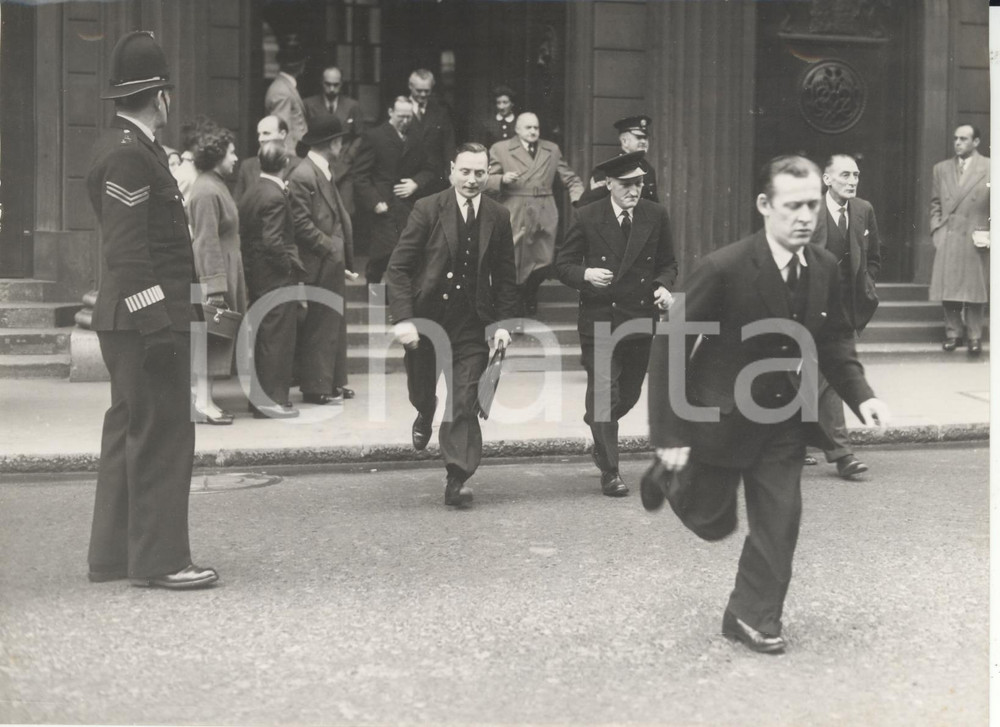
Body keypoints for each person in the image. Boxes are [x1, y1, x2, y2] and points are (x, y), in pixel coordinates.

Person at [645, 155, 890, 653]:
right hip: (720, 417)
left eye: (810, 206)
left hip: (784, 421)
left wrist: (862, 396)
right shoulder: (724, 267)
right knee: (714, 522)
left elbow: (835, 340)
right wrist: (670, 435)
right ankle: (670, 475)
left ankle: (752, 615)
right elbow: (670, 345)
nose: (805, 217)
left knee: (780, 523)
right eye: (792, 206)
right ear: (764, 205)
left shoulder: (823, 267)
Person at [85, 30, 217, 590]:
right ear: (160, 95)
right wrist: (158, 324)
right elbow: (129, 253)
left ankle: (112, 557)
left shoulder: (124, 149)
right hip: (144, 323)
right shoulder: (130, 156)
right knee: (163, 434)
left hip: (130, 322)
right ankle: (161, 560)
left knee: (127, 430)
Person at [386, 142, 519, 507]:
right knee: (421, 389)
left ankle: (457, 477)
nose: (473, 180)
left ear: (489, 173)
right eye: (465, 171)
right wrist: (403, 318)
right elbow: (398, 269)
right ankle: (424, 409)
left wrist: (503, 325)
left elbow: (507, 277)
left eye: (480, 173)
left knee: (463, 401)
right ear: (451, 170)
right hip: (426, 322)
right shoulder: (427, 208)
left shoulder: (498, 216)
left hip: (471, 326)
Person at [553, 151, 677, 497]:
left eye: (638, 183)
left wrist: (664, 287)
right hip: (601, 319)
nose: (634, 191)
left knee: (630, 393)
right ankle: (610, 470)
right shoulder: (587, 216)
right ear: (609, 184)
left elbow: (668, 263)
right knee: (605, 395)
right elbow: (562, 266)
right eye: (626, 184)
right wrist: (586, 274)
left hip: (639, 318)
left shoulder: (656, 215)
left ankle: (597, 423)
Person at [806, 154, 882, 478]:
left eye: (856, 175)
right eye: (845, 175)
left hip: (845, 310)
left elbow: (874, 257)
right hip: (809, 307)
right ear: (827, 179)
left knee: (831, 377)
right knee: (806, 375)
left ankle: (841, 453)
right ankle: (827, 447)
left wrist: (866, 284)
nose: (852, 181)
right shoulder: (808, 209)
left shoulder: (863, 210)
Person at [486, 112, 584, 319]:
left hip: (544, 209)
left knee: (543, 261)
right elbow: (485, 181)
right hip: (514, 209)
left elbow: (570, 178)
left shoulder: (552, 149)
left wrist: (579, 200)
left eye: (536, 128)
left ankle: (529, 293)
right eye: (528, 127)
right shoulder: (501, 149)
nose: (533, 132)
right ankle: (514, 304)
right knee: (511, 259)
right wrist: (502, 179)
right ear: (517, 129)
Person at [287, 114, 356, 405]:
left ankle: (333, 381)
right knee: (320, 325)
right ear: (332, 143)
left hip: (330, 259)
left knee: (332, 323)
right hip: (319, 259)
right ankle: (316, 387)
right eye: (340, 139)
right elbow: (300, 224)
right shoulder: (305, 174)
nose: (342, 144)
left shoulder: (320, 170)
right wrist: (330, 248)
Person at [238, 139, 306, 419]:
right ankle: (271, 401)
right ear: (285, 163)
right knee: (276, 340)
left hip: (257, 275)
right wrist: (289, 269)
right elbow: (273, 241)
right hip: (274, 278)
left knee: (266, 338)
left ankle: (262, 400)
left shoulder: (253, 191)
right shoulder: (276, 196)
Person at [188, 122, 248, 425]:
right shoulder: (206, 190)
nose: (235, 158)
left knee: (215, 340)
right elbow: (206, 241)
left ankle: (206, 399)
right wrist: (215, 288)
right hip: (213, 272)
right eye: (231, 152)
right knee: (209, 339)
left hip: (223, 269)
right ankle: (202, 402)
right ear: (216, 155)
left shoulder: (214, 185)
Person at [354, 97, 436, 284]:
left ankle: (397, 301)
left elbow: (430, 169)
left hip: (408, 206)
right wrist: (374, 201)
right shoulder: (374, 136)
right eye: (401, 116)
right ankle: (374, 300)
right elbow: (359, 175)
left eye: (409, 117)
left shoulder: (417, 137)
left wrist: (416, 183)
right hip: (384, 206)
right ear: (391, 112)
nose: (405, 121)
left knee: (407, 255)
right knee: (381, 256)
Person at [929, 124, 990, 356]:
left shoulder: (991, 167)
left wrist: (991, 232)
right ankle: (953, 334)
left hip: (977, 235)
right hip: (950, 234)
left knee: (975, 289)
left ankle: (975, 336)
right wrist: (936, 229)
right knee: (950, 287)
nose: (957, 143)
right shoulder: (941, 169)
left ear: (976, 142)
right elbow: (935, 202)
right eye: (955, 138)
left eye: (963, 139)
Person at [577, 115, 659, 207]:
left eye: (646, 138)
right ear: (624, 141)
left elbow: (653, 204)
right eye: (639, 137)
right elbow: (588, 205)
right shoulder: (608, 168)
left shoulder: (648, 169)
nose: (644, 141)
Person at [407, 68, 456, 193]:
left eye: (427, 91)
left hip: (434, 177)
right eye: (419, 90)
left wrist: (452, 173)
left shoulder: (441, 111)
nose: (423, 94)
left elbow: (448, 144)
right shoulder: (399, 109)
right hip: (407, 178)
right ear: (410, 86)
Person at [233, 115, 300, 204]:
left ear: (282, 134)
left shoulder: (299, 165)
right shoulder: (248, 166)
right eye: (259, 134)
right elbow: (237, 203)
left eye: (266, 133)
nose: (260, 139)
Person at [264, 45, 308, 157]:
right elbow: (282, 132)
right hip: (291, 158)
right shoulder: (282, 91)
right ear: (301, 66)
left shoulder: (284, 86)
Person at [477, 84, 517, 149]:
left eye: (505, 102)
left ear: (512, 104)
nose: (501, 107)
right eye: (498, 103)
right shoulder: (488, 124)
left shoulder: (518, 122)